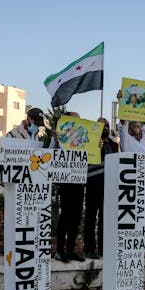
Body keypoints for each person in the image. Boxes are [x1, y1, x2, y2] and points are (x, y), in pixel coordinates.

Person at [83, 118, 118, 259]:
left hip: (109, 185)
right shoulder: (89, 142)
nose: (105, 128)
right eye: (102, 126)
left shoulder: (114, 145)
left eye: (107, 126)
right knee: (91, 217)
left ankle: (104, 249)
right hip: (93, 183)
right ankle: (89, 249)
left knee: (106, 218)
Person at [53, 111, 85, 262]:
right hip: (66, 181)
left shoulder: (82, 138)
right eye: (74, 120)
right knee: (65, 216)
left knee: (76, 217)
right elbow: (51, 154)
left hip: (79, 180)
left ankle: (71, 249)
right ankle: (60, 251)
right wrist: (56, 141)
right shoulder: (59, 136)